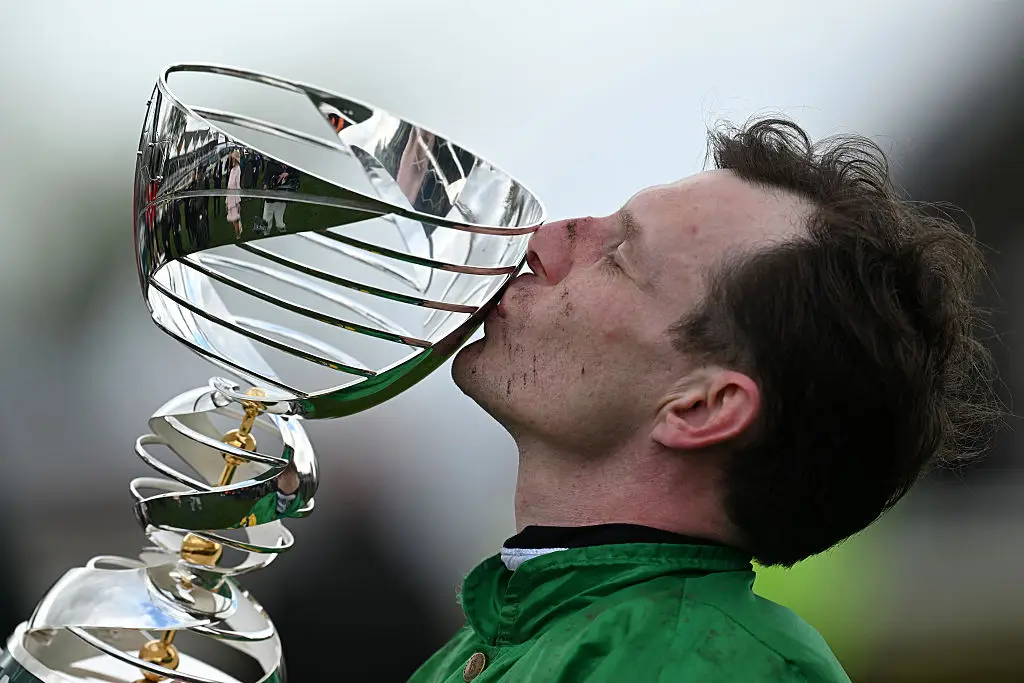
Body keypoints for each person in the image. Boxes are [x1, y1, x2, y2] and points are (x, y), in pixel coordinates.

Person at [408, 117, 1001, 683]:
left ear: (700, 407)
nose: (540, 241)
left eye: (617, 257)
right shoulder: (516, 638)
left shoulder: (708, 669)